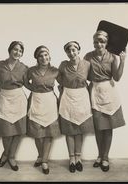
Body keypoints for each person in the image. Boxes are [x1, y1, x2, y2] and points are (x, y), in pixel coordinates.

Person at [84, 30, 126, 172]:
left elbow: (117, 77)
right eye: (96, 41)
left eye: (102, 41)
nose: (99, 44)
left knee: (108, 126)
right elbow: (83, 76)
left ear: (106, 43)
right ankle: (100, 155)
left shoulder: (113, 57)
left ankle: (105, 157)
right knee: (98, 127)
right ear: (93, 42)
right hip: (94, 92)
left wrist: (123, 60)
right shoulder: (88, 57)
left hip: (109, 91)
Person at [57, 41, 94, 173]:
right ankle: (71, 158)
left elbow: (90, 79)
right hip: (68, 96)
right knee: (69, 129)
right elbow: (58, 78)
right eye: (68, 51)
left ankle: (78, 157)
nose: (71, 53)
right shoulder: (63, 65)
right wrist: (64, 85)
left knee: (80, 128)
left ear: (78, 50)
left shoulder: (87, 64)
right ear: (66, 52)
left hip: (82, 97)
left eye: (74, 50)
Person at [24, 45, 61, 175]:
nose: (44, 57)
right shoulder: (31, 70)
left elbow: (63, 83)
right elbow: (25, 82)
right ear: (37, 58)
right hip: (36, 101)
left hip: (50, 102)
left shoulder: (55, 70)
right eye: (41, 55)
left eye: (46, 55)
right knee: (37, 132)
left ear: (49, 56)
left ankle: (44, 160)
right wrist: (34, 89)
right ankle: (41, 155)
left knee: (48, 132)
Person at [0, 41, 28, 171]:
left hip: (19, 99)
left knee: (18, 131)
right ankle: (6, 153)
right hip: (4, 98)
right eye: (15, 49)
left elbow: (27, 84)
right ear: (10, 50)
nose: (17, 52)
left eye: (20, 51)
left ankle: (11, 156)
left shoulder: (24, 67)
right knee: (6, 132)